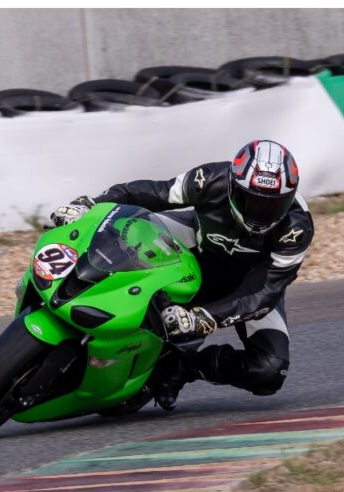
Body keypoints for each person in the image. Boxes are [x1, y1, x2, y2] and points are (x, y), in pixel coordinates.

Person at [49, 139, 313, 410]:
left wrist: (203, 318)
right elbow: (150, 193)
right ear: (233, 187)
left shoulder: (297, 229)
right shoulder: (210, 179)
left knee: (269, 370)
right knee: (128, 230)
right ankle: (69, 281)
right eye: (251, 201)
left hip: (248, 286)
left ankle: (184, 366)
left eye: (271, 207)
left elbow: (266, 291)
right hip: (193, 248)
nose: (259, 214)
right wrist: (90, 204)